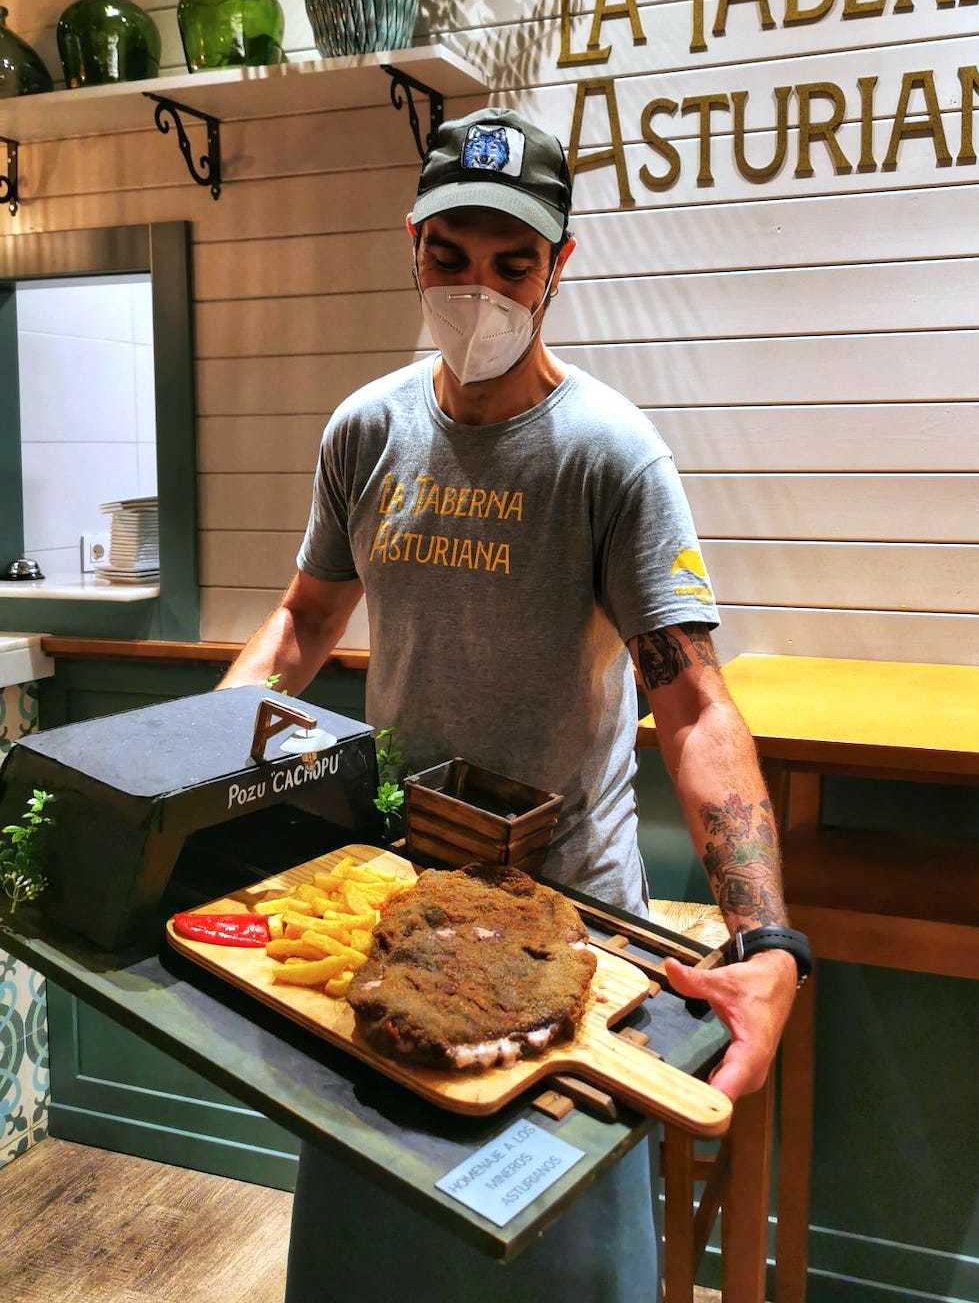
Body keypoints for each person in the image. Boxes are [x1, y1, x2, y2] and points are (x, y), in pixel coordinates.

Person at [217, 108, 809, 1302]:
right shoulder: (366, 432)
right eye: (452, 256)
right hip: (386, 913)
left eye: (512, 263)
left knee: (561, 1268)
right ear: (414, 245)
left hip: (571, 933)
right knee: (364, 1264)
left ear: (560, 267)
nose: (477, 289)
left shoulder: (609, 457)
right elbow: (304, 620)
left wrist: (768, 938)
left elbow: (690, 700)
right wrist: (177, 754)